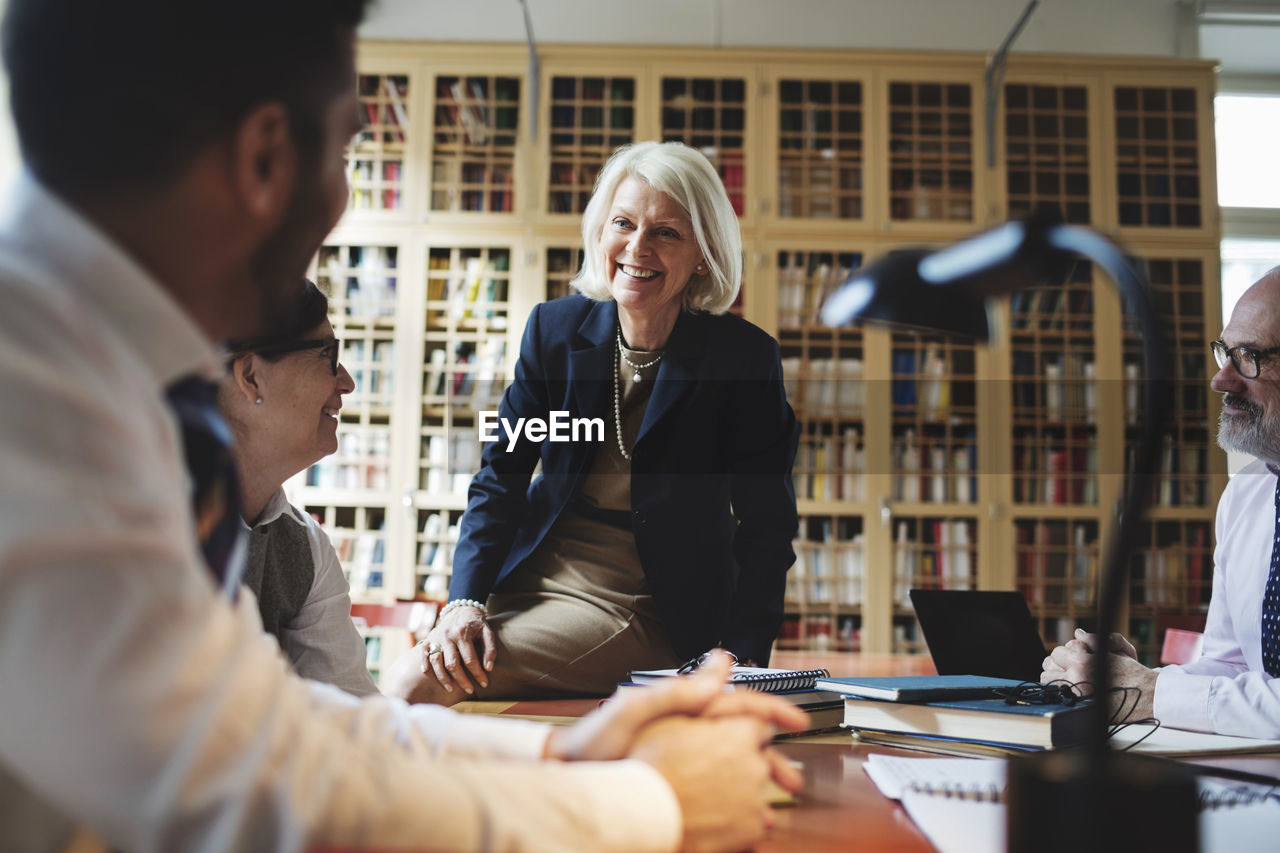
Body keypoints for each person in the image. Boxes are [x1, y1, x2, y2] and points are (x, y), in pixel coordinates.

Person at [0, 3, 808, 851]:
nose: (346, 194)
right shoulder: (51, 411)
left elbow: (261, 720)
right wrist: (652, 807)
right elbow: (235, 788)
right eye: (349, 146)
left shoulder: (106, 385)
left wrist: (562, 749)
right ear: (263, 157)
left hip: (649, 608)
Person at [400, 141, 799, 705]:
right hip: (538, 572)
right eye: (624, 223)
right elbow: (502, 476)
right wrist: (464, 600)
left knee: (417, 680)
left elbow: (767, 525)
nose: (638, 247)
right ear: (600, 232)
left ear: (704, 254)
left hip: (647, 600)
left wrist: (741, 655)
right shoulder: (554, 332)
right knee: (426, 664)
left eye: (666, 232)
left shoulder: (743, 360)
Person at [1042, 268, 1280, 738]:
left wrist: (1151, 693)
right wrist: (1127, 681)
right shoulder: (1246, 495)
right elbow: (1232, 667)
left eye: (1250, 357)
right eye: (1225, 352)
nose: (1221, 379)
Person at [220, 279, 382, 698]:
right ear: (251, 376)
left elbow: (352, 716)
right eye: (329, 356)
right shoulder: (142, 532)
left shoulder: (305, 547)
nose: (346, 382)